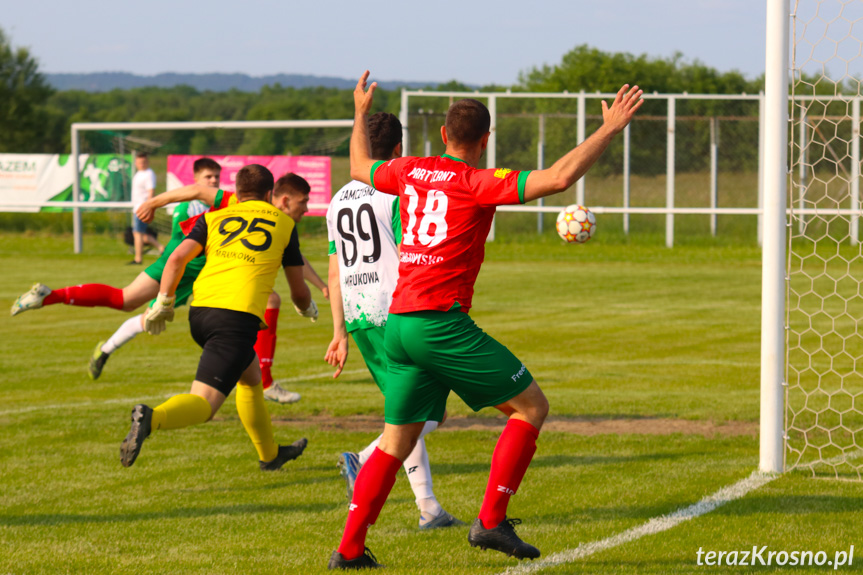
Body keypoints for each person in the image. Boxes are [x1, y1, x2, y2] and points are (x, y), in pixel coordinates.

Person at [327, 72, 643, 570]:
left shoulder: (410, 170)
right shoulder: (478, 183)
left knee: (396, 441)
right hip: (439, 324)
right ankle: (491, 521)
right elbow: (559, 178)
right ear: (485, 139)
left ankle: (348, 551)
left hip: (399, 324)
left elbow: (359, 165)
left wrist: (361, 111)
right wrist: (608, 129)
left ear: (442, 137)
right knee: (530, 407)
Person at [120, 164, 316, 470]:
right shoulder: (285, 225)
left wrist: (164, 302)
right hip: (234, 320)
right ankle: (152, 417)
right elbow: (298, 291)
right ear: (269, 194)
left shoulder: (213, 216)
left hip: (200, 311)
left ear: (236, 193)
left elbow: (176, 258)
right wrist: (307, 309)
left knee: (250, 377)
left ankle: (270, 455)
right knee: (205, 405)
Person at [325, 112, 462, 530]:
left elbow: (334, 271)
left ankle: (430, 509)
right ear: (399, 150)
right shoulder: (397, 193)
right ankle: (364, 461)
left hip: (359, 313)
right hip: (396, 309)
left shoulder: (337, 200)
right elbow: (415, 253)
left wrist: (340, 332)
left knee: (409, 408)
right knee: (420, 413)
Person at [89, 170, 326, 405]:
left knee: (261, 325)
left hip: (207, 281)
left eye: (216, 177)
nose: (306, 208)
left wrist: (321, 286)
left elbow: (294, 257)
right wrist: (152, 202)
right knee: (128, 301)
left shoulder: (275, 221)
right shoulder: (239, 205)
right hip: (200, 271)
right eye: (303, 201)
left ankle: (265, 389)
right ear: (279, 197)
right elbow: (193, 197)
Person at [130, 152, 164, 264]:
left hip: (142, 208)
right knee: (141, 234)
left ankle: (138, 258)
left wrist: (149, 207)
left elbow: (151, 191)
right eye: (139, 162)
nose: (142, 164)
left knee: (138, 233)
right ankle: (161, 248)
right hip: (136, 207)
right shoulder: (138, 174)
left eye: (144, 162)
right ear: (136, 163)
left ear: (148, 162)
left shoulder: (149, 174)